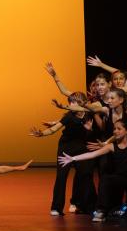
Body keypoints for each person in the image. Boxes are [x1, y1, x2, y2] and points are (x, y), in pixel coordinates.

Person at [58, 120, 127, 221]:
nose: (115, 131)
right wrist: (73, 158)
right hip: (119, 178)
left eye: (119, 129)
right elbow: (93, 154)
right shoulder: (111, 146)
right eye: (114, 129)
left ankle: (125, 208)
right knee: (105, 179)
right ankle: (101, 211)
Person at [34, 70, 96, 215]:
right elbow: (54, 129)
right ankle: (56, 208)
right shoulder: (69, 116)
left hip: (82, 148)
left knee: (85, 175)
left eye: (74, 101)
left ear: (82, 103)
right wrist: (41, 134)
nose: (71, 104)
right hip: (66, 147)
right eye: (70, 102)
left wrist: (90, 130)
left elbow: (94, 132)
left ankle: (84, 205)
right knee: (61, 177)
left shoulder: (89, 114)